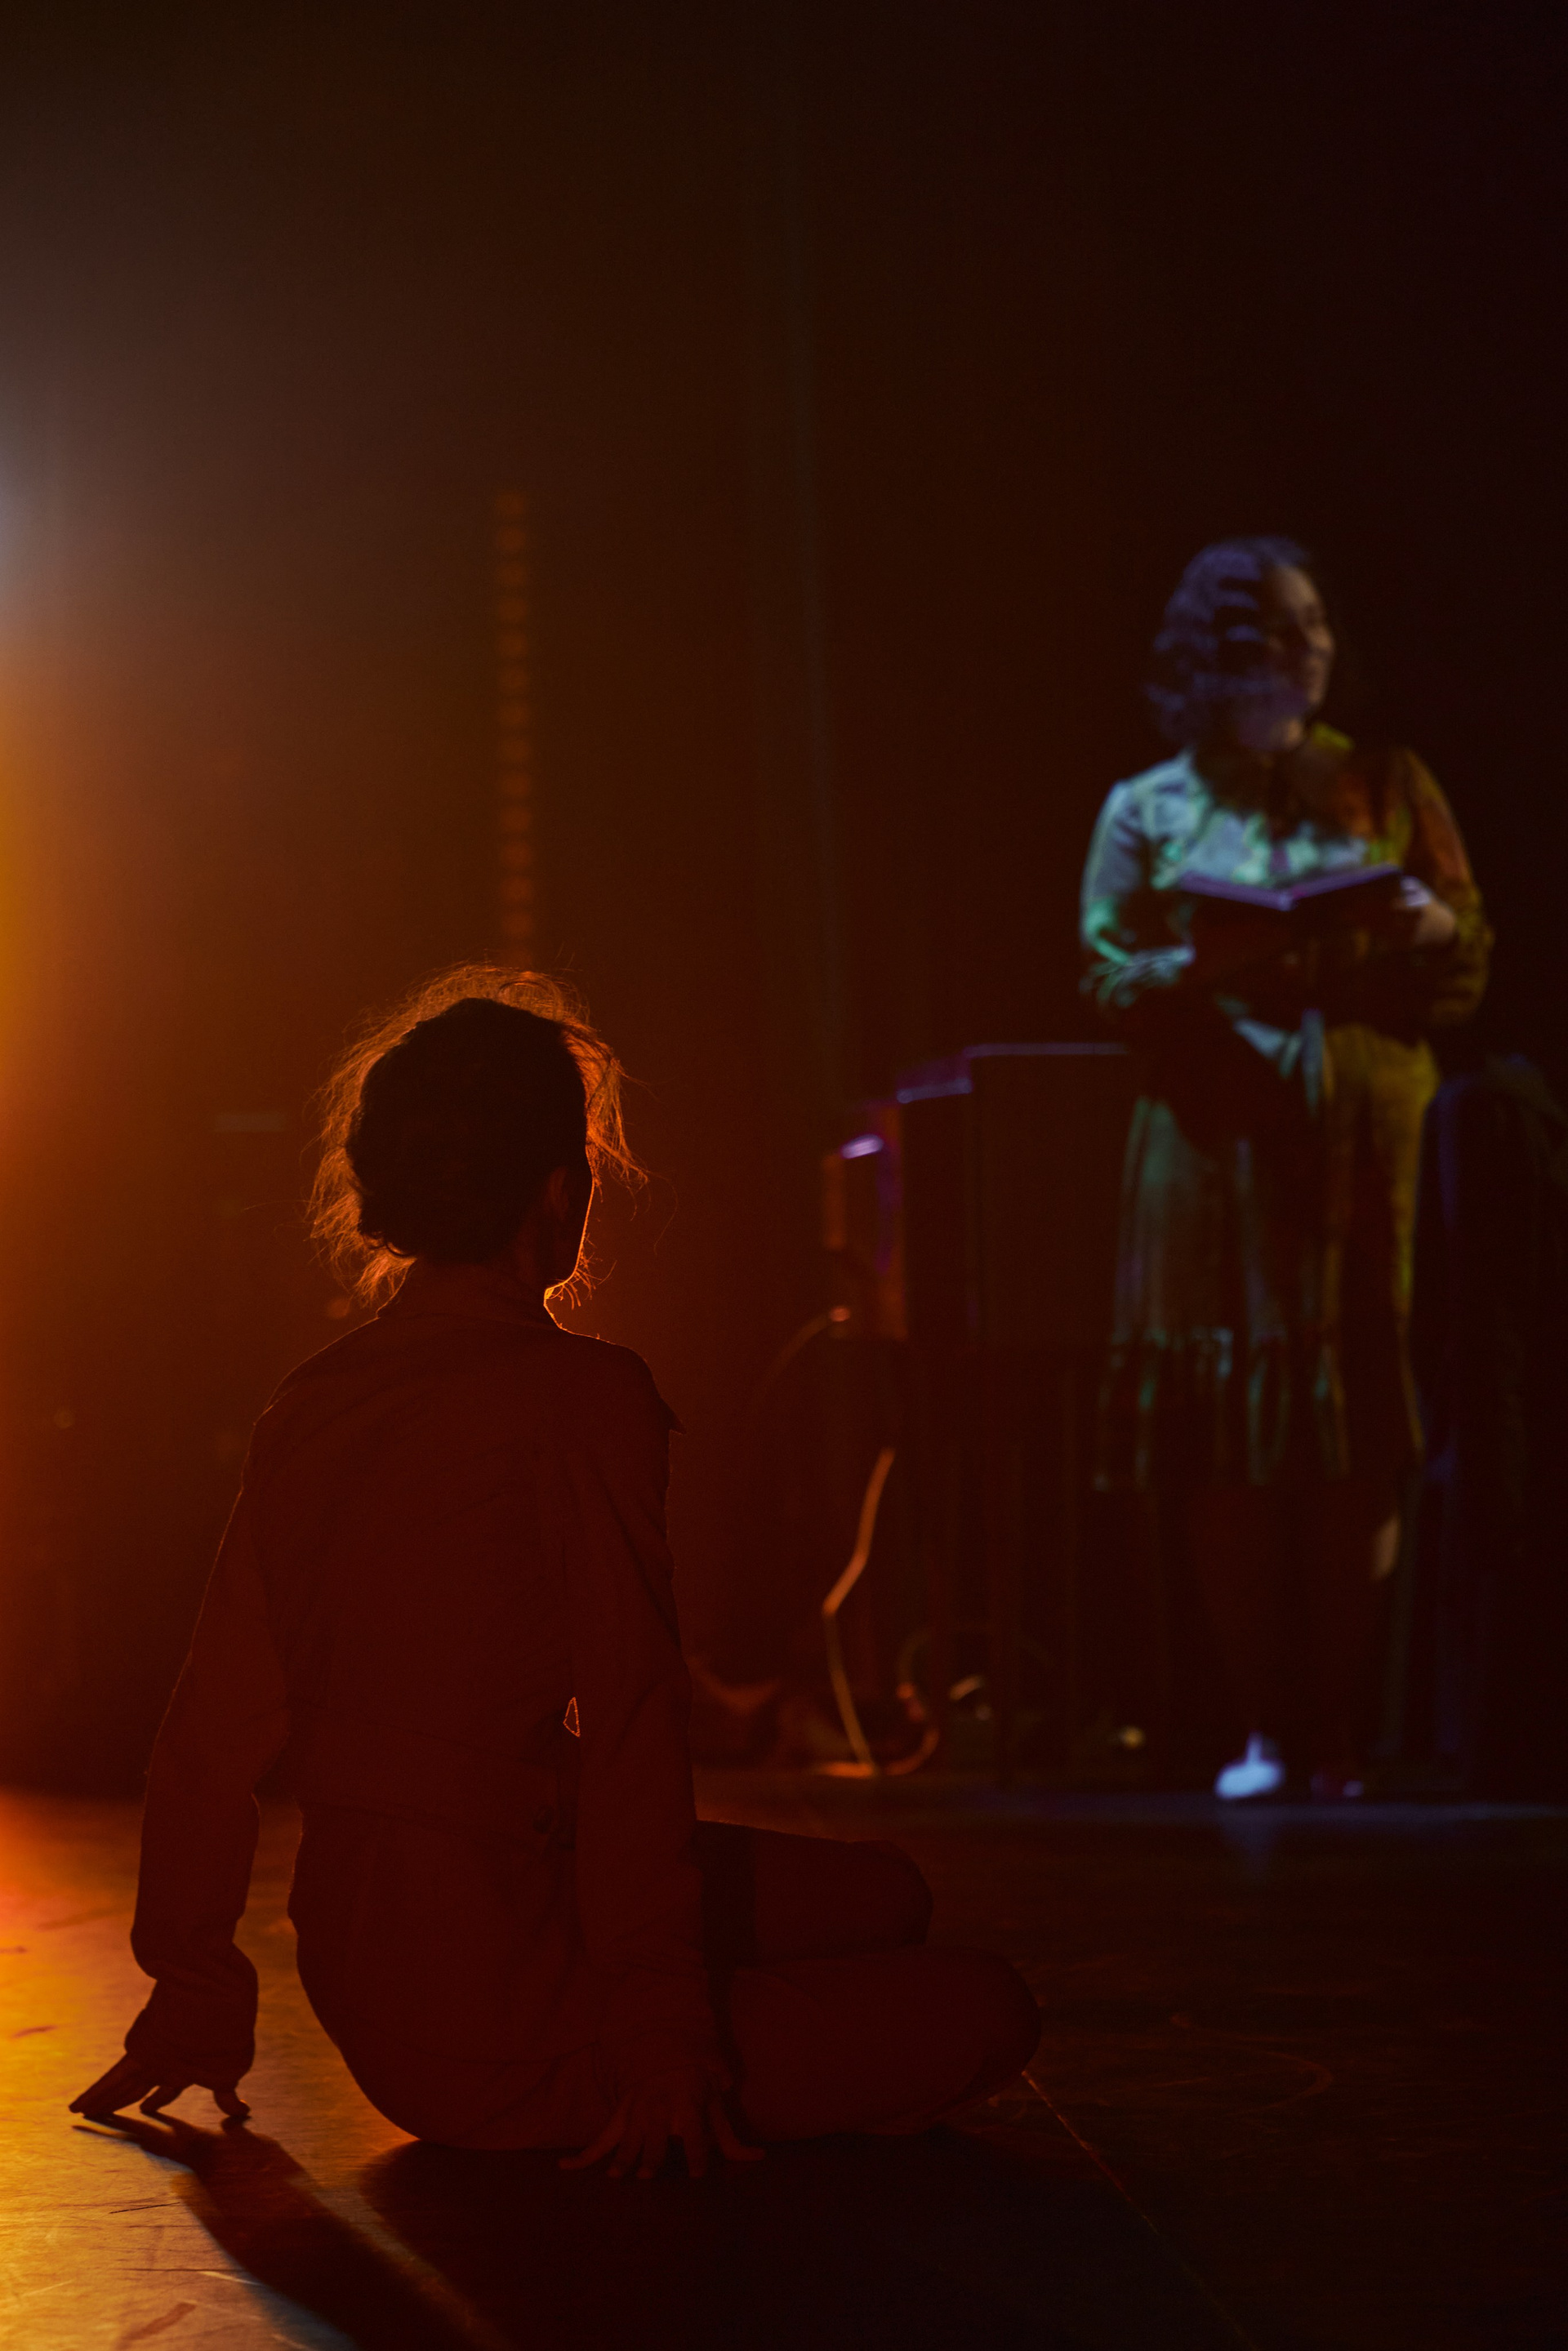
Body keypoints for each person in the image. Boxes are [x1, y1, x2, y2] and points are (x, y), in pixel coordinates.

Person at [72, 970, 1037, 2168]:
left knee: (881, 1899)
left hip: (381, 1989)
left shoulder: (310, 1406)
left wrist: (196, 1990)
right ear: (559, 1190)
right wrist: (662, 2033)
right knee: (986, 2007)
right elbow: (634, 1722)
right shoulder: (586, 1398)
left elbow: (208, 1736)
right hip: (504, 2027)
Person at [1080, 540, 1490, 1801]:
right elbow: (1105, 972)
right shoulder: (1148, 805)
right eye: (1275, 627)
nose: (1307, 648)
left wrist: (1423, 924)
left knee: (1356, 1418)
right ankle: (1263, 1726)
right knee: (1235, 1434)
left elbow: (1469, 953)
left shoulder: (1384, 781)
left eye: (1317, 624)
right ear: (1214, 653)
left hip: (1363, 1142)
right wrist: (1202, 966)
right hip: (1218, 1150)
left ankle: (1338, 1732)